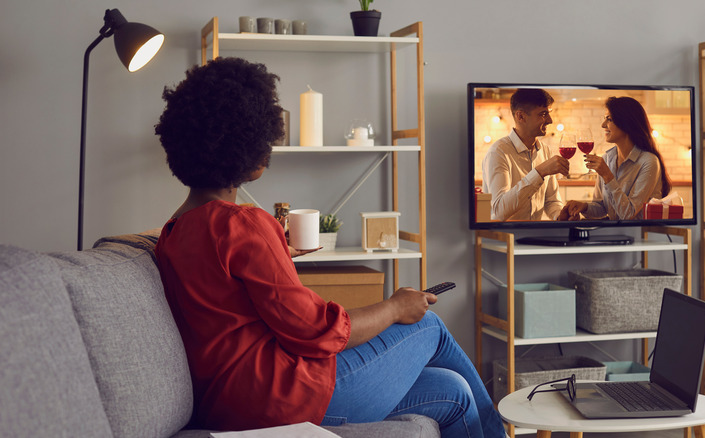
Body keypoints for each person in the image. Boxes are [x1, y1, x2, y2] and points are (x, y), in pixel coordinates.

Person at [153, 57, 505, 437]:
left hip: (229, 402)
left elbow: (220, 287)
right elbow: (314, 330)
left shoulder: (173, 231)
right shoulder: (243, 223)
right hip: (279, 398)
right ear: (247, 141)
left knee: (454, 392)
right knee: (429, 325)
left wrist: (275, 253)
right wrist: (394, 307)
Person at [558, 96, 672, 221]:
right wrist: (584, 207)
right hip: (615, 234)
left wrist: (607, 176)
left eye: (609, 119)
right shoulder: (607, 158)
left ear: (626, 123)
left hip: (641, 235)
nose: (603, 125)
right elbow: (602, 208)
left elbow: (628, 214)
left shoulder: (648, 162)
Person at [481, 88, 569, 221]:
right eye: (543, 114)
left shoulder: (545, 151)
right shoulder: (498, 153)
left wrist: (560, 215)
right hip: (507, 238)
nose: (550, 120)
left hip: (535, 236)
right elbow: (499, 211)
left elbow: (552, 202)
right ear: (520, 116)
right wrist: (539, 172)